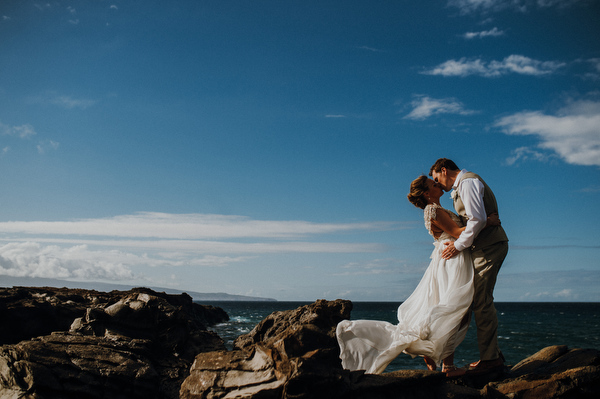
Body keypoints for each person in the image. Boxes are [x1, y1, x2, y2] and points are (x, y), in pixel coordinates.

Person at [337, 175, 488, 377]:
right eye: (433, 183)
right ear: (427, 193)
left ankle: (432, 356)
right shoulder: (433, 210)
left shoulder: (438, 209)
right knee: (454, 308)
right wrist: (486, 222)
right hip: (451, 260)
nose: (437, 184)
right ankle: (447, 366)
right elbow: (457, 232)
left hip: (452, 258)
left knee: (451, 307)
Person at [429, 158, 509, 374]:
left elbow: (477, 219)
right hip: (483, 247)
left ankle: (491, 359)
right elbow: (479, 220)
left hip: (489, 247)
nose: (439, 185)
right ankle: (493, 354)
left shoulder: (467, 183)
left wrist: (458, 246)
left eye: (437, 178)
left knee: (481, 301)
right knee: (479, 300)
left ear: (444, 170)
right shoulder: (463, 185)